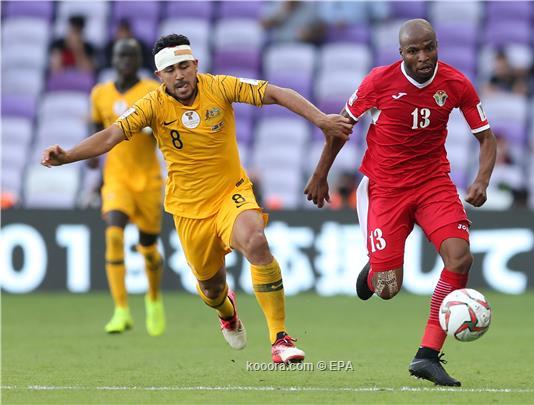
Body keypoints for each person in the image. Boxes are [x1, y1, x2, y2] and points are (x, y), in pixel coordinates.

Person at [42, 34, 352, 363]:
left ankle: (280, 338)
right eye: (171, 70)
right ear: (159, 76)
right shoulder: (152, 104)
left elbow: (275, 92)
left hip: (230, 193)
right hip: (188, 210)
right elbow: (111, 136)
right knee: (212, 291)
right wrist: (69, 155)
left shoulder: (219, 86)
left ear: (195, 65)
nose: (179, 75)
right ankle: (227, 313)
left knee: (257, 241)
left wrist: (321, 119)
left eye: (184, 66)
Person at [304, 19, 497, 386]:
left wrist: (482, 180)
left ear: (437, 45)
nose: (423, 56)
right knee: (389, 288)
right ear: (401, 53)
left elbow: (487, 138)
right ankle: (376, 270)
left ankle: (427, 355)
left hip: (433, 184)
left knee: (460, 257)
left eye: (429, 48)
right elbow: (341, 128)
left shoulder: (456, 84)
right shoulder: (378, 81)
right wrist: (320, 174)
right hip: (386, 189)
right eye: (413, 51)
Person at [88, 38, 165, 336]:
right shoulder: (100, 93)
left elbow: (165, 132)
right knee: (114, 235)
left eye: (131, 55)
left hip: (147, 181)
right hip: (117, 179)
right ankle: (121, 310)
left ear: (138, 59)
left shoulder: (151, 91)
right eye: (121, 55)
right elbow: (98, 132)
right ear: (114, 59)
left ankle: (154, 299)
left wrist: (152, 131)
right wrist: (93, 162)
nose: (126, 60)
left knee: (148, 248)